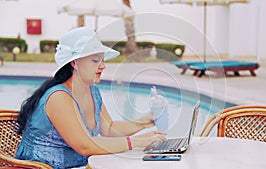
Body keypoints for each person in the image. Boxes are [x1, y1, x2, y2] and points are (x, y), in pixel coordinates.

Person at [15, 27, 166, 169]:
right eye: (95, 60)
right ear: (74, 63)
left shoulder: (92, 91)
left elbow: (109, 128)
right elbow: (85, 145)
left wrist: (145, 122)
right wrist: (139, 142)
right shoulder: (59, 97)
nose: (102, 66)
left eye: (103, 60)